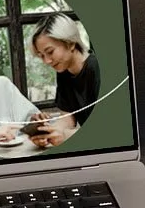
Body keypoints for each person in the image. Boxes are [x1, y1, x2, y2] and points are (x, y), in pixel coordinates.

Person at [27, 13, 100, 148]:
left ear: (70, 43)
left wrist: (66, 136)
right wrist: (48, 132)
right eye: (41, 55)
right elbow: (68, 118)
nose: (47, 61)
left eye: (50, 52)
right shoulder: (63, 71)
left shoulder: (97, 69)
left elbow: (107, 129)